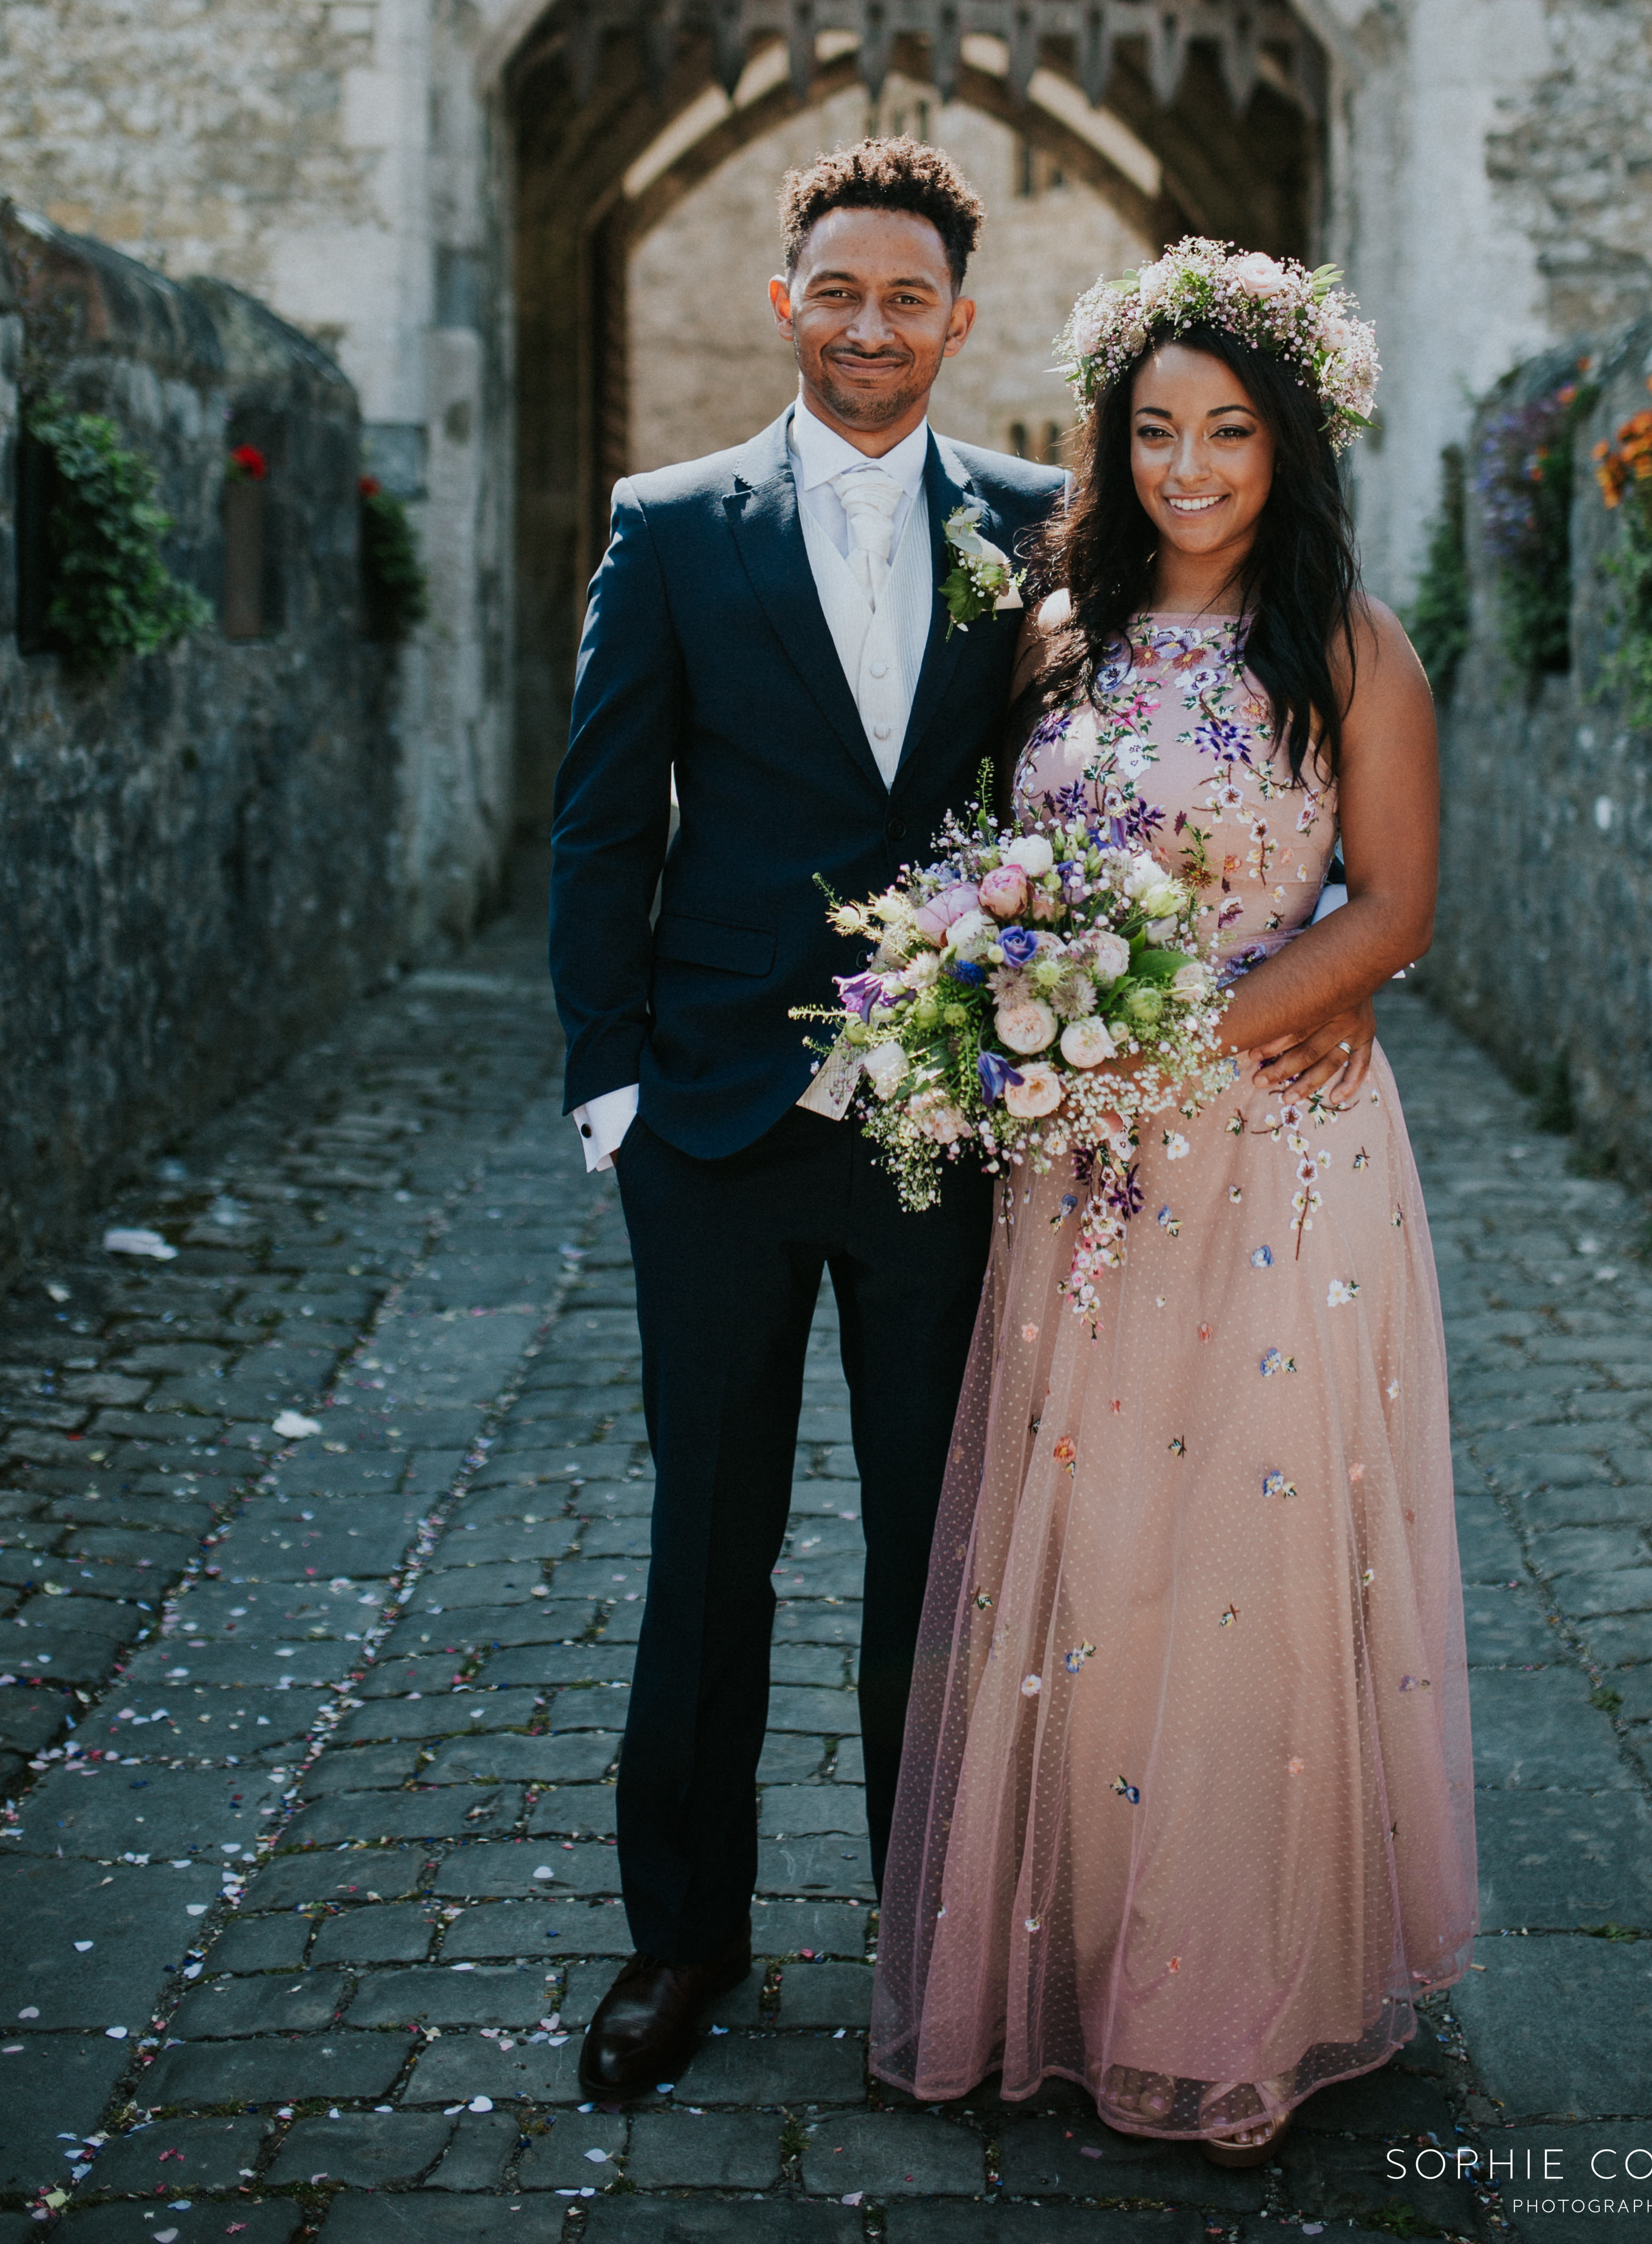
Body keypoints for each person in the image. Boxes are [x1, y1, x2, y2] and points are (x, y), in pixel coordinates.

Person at [869, 248, 1476, 2160]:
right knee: (1102, 1553)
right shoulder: (1055, 633)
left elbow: (1395, 907)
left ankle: (1241, 1985)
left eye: (1228, 432)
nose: (1192, 468)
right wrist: (1011, 998)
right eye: (1156, 432)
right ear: (1111, 447)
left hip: (1279, 1157)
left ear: (1287, 446)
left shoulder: (1360, 649)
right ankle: (1083, 1961)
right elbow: (1011, 867)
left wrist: (1205, 1024)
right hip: (1089, 1176)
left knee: (1253, 1561)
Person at [546, 137, 1083, 2098]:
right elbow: (605, 822)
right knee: (712, 1539)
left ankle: (925, 1946)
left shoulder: (1037, 526)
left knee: (933, 1556)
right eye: (838, 293)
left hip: (943, 1124)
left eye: (910, 298)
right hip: (710, 1128)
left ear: (959, 318)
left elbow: (1072, 813)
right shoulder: (671, 523)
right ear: (790, 303)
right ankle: (679, 1945)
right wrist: (610, 1089)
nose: (873, 328)